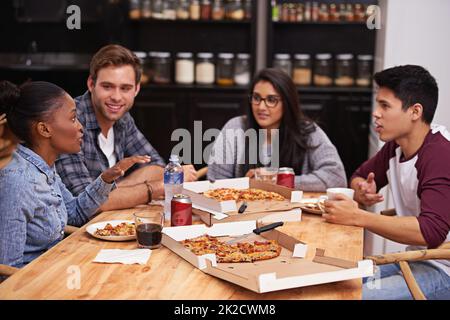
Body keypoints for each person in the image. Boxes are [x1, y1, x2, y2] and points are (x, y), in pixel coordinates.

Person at [320, 65, 450, 299]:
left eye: (385, 106)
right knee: (331, 283)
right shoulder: (396, 147)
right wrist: (362, 190)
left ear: (415, 111)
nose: (375, 113)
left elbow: (431, 232)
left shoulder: (440, 155)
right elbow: (359, 175)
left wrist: (358, 216)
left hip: (444, 271)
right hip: (417, 261)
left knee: (354, 296)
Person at [0, 81, 150, 268]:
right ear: (44, 129)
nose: (81, 127)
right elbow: (6, 271)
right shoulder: (17, 183)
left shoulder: (44, 167)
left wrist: (106, 179)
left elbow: (74, 213)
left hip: (59, 268)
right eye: (72, 119)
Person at [55, 44, 197, 211]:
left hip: (113, 223)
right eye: (107, 87)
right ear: (91, 84)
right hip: (76, 232)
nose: (116, 97)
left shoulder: (122, 117)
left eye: (125, 88)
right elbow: (86, 203)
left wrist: (115, 191)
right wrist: (160, 186)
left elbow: (156, 166)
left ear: (136, 89)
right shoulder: (70, 122)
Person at [207, 68, 347, 191]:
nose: (261, 107)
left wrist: (275, 179)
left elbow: (336, 178)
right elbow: (216, 183)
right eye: (256, 98)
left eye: (271, 99)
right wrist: (247, 186)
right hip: (244, 213)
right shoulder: (235, 127)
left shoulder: (308, 131)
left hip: (295, 214)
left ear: (287, 103)